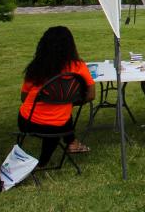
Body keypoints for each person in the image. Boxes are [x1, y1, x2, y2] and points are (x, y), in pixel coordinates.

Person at [19, 26, 95, 166]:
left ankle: (45, 159)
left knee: (56, 120)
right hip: (59, 124)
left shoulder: (36, 67)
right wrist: (68, 100)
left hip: (28, 122)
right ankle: (45, 160)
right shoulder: (78, 67)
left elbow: (24, 98)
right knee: (59, 121)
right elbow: (91, 95)